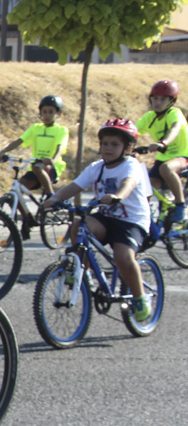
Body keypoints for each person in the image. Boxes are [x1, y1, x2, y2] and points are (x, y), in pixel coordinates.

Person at [40, 118, 153, 320]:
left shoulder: (131, 165)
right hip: (105, 217)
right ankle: (84, 273)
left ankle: (139, 297)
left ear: (127, 148)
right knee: (79, 226)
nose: (108, 148)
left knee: (123, 258)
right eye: (105, 143)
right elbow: (75, 186)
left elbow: (129, 183)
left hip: (131, 221)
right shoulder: (96, 167)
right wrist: (55, 198)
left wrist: (118, 196)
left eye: (115, 144)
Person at [0, 95, 69, 237]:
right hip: (35, 168)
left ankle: (50, 195)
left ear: (58, 114)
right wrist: (3, 152)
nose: (47, 115)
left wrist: (53, 159)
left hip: (51, 168)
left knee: (38, 166)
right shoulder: (35, 128)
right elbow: (19, 141)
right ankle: (28, 218)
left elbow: (60, 146)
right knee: (15, 191)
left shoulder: (61, 130)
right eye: (44, 112)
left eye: (51, 112)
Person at [137, 79, 187, 225]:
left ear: (172, 101)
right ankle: (145, 221)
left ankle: (180, 205)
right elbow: (133, 132)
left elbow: (175, 129)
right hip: (163, 158)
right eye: (155, 98)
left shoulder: (175, 113)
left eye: (163, 99)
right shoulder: (150, 117)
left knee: (166, 168)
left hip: (183, 156)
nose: (158, 102)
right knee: (146, 187)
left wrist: (162, 143)